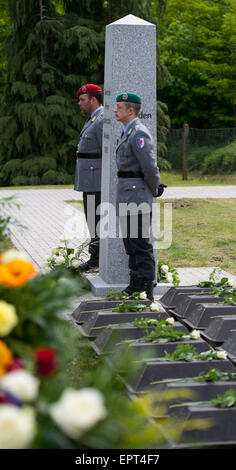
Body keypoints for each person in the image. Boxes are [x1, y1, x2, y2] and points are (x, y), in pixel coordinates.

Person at [114, 92, 163, 301]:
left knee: (140, 243)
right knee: (130, 243)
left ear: (130, 110)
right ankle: (135, 284)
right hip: (127, 194)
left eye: (119, 107)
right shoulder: (127, 131)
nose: (115, 110)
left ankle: (146, 288)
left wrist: (154, 189)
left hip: (136, 195)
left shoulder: (138, 133)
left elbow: (150, 169)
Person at [74, 84, 104, 271]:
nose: (79, 103)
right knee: (92, 220)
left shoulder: (101, 121)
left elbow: (108, 153)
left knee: (97, 220)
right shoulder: (93, 120)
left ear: (93, 100)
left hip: (97, 180)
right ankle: (96, 258)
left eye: (82, 100)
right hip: (90, 179)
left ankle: (97, 260)